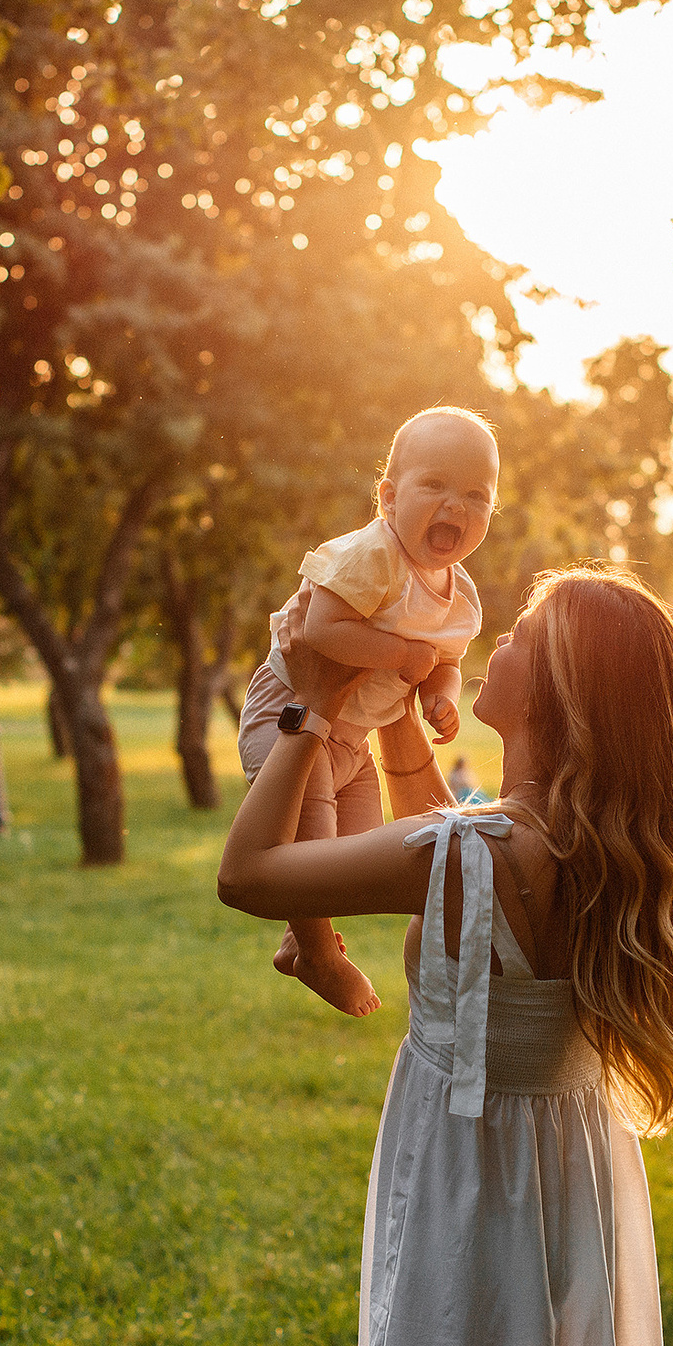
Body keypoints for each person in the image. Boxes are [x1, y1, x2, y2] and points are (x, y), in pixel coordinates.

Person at [219, 566, 673, 1346]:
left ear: (554, 694)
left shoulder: (475, 854)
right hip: (566, 1187)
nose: (494, 641)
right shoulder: (582, 851)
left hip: (468, 1185)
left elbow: (251, 874)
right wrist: (400, 722)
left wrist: (306, 710)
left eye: (522, 635)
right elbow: (456, 857)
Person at [236, 406, 496, 1018]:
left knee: (348, 855)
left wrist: (440, 695)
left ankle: (298, 935)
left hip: (354, 737)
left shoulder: (460, 595)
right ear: (388, 497)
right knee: (310, 841)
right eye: (434, 485)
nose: (455, 505)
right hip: (291, 710)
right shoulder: (370, 555)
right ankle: (319, 956)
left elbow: (445, 660)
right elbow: (321, 629)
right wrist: (402, 654)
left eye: (476, 495)